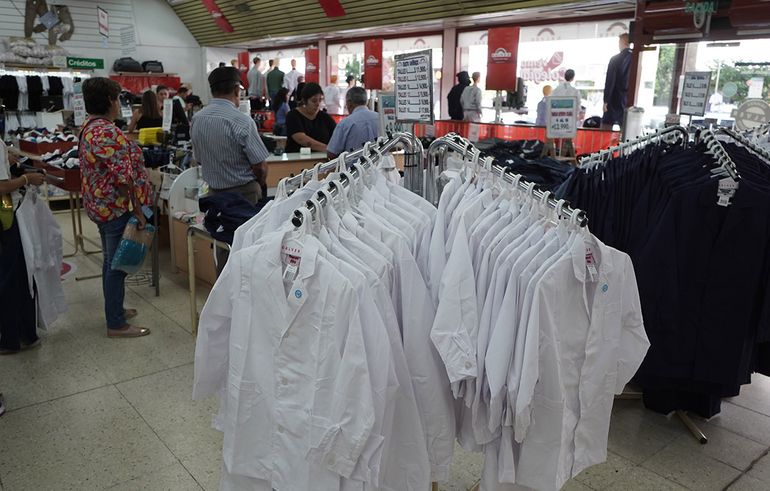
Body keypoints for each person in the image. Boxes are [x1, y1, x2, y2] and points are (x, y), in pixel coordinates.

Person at [79, 77, 152, 338]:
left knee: (111, 261)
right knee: (117, 266)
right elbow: (123, 180)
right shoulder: (107, 132)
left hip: (100, 205)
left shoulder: (90, 126)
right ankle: (116, 323)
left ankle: (116, 309)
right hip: (114, 208)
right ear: (111, 100)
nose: (120, 103)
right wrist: (138, 212)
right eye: (118, 98)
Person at [191, 66, 269, 204]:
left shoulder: (197, 119)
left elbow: (199, 159)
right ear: (237, 89)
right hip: (245, 195)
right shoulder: (242, 121)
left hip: (213, 195)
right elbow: (260, 167)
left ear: (212, 90)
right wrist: (259, 183)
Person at [0, 140, 46, 353]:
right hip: (8, 216)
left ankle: (18, 335)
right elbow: (2, 188)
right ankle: (19, 335)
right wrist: (27, 179)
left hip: (8, 214)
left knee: (16, 274)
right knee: (15, 276)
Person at [327, 87, 380, 158]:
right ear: (366, 101)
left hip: (355, 165)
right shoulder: (380, 118)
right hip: (381, 164)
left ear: (349, 102)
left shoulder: (345, 123)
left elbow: (331, 153)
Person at [285, 82, 337, 153]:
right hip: (296, 157)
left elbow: (337, 134)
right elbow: (300, 138)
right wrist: (328, 149)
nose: (318, 104)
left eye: (320, 100)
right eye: (314, 101)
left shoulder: (325, 117)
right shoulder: (293, 115)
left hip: (322, 157)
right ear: (304, 101)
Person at [603, 33, 632, 127]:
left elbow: (610, 82)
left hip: (614, 99)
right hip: (628, 100)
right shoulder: (636, 58)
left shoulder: (615, 59)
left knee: (607, 127)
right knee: (625, 128)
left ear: (622, 42)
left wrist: (606, 101)